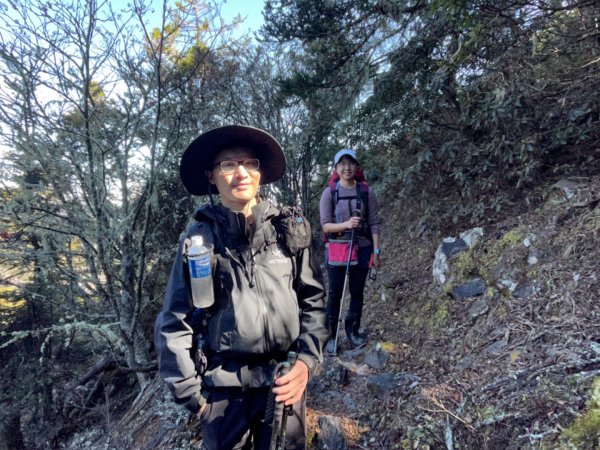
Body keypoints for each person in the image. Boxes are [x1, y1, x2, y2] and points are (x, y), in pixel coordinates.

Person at [155, 125, 329, 450]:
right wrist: (193, 396)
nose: (241, 172)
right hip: (221, 391)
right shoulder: (197, 242)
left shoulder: (287, 231)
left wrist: (306, 362)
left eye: (250, 163)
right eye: (229, 164)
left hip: (284, 381)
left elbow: (314, 301)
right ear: (211, 176)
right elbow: (172, 321)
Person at [319, 149, 381, 352]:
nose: (347, 167)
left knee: (357, 292)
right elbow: (326, 226)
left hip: (362, 249)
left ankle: (353, 332)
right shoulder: (330, 192)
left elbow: (374, 223)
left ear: (356, 166)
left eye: (351, 163)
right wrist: (346, 224)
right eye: (342, 164)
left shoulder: (365, 191)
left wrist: (377, 252)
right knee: (335, 294)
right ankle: (331, 337)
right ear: (336, 168)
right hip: (338, 250)